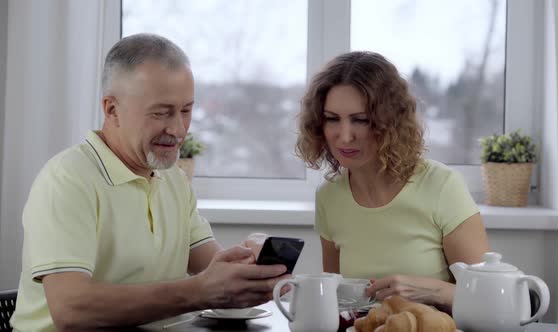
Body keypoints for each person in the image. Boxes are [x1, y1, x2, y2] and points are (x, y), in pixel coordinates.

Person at [10, 33, 287, 332]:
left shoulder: (173, 180)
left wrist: (252, 265)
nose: (178, 129)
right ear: (112, 110)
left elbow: (213, 271)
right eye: (161, 112)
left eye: (186, 110)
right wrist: (198, 291)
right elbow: (71, 309)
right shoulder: (67, 180)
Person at [295, 51, 489, 313]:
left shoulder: (441, 186)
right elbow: (339, 304)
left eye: (360, 120)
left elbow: (489, 300)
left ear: (389, 122)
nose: (344, 136)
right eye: (332, 119)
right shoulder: (329, 197)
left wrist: (432, 290)